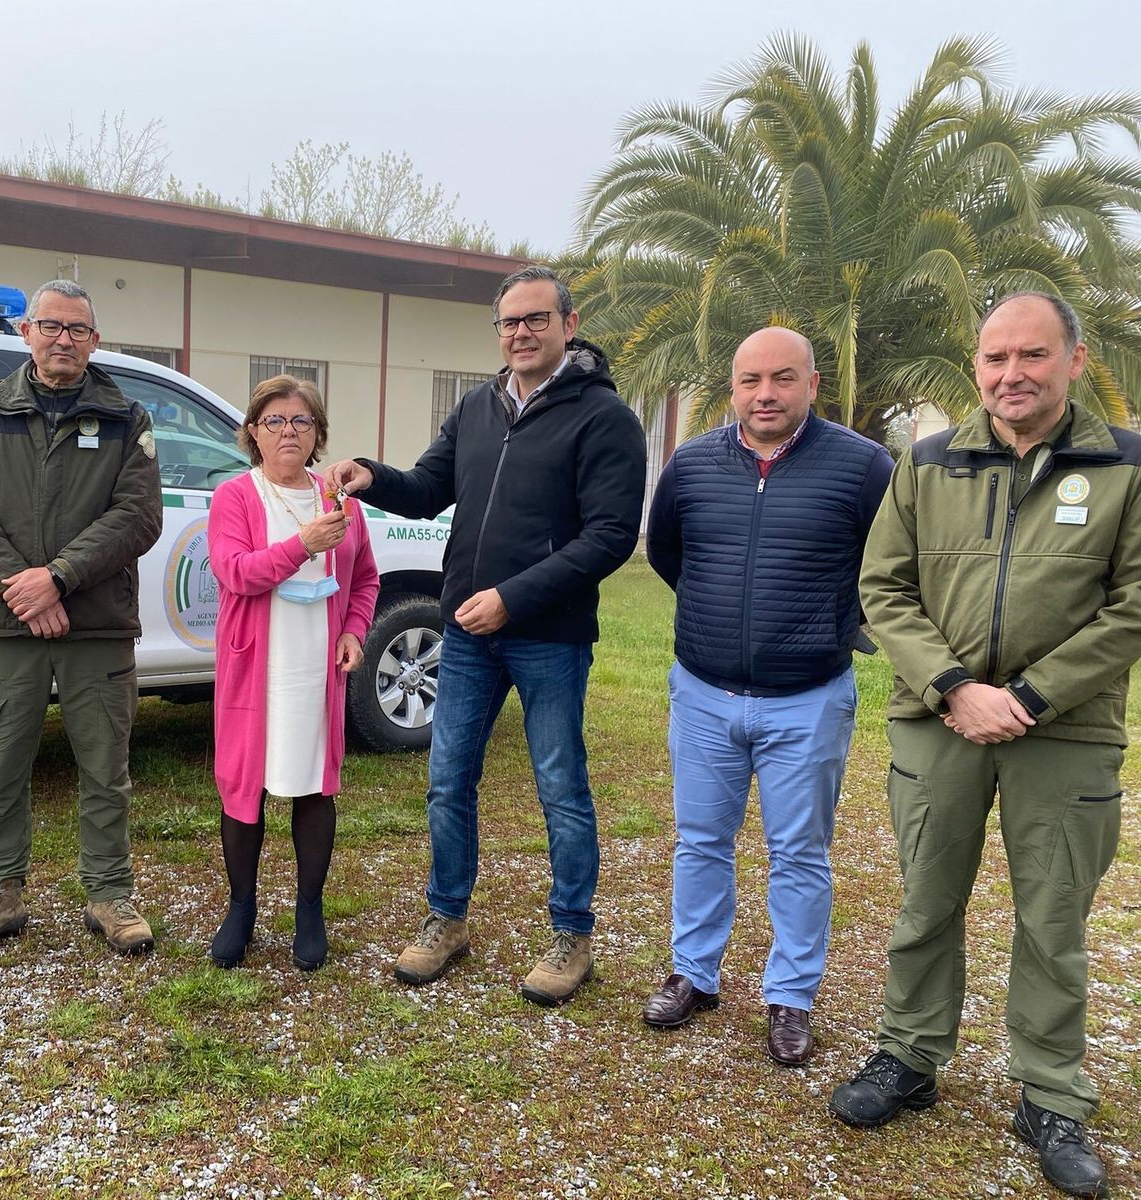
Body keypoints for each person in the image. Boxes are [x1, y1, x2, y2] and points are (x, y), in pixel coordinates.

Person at [831, 293, 1141, 1199]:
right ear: (976, 367)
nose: (1013, 374)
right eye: (996, 358)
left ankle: (1050, 1094)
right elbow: (884, 589)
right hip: (941, 722)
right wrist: (956, 689)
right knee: (925, 899)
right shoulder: (929, 463)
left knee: (1054, 918)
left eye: (1033, 356)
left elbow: (1134, 602)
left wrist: (1033, 695)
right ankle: (910, 1057)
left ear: (1074, 361)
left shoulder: (1125, 464)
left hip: (1067, 728)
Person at [324, 264, 646, 1006]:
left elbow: (610, 536)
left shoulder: (604, 419)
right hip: (468, 632)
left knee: (560, 787)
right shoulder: (477, 407)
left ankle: (572, 935)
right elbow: (430, 487)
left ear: (568, 324)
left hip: (550, 635)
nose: (521, 333)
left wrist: (512, 598)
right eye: (508, 323)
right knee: (446, 782)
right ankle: (448, 919)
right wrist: (372, 473)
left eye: (535, 319)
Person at [641, 327, 892, 1063]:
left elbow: (890, 568)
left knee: (801, 853)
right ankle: (694, 975)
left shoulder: (864, 466)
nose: (766, 394)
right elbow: (668, 553)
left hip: (808, 698)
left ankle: (790, 996)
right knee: (700, 842)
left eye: (783, 378)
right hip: (704, 694)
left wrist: (834, 626)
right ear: (733, 389)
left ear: (813, 384)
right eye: (751, 380)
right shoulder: (690, 466)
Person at [0, 279, 163, 962]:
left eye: (78, 330)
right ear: (25, 332)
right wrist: (22, 588)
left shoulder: (129, 418)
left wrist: (58, 578)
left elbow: (137, 516)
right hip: (10, 624)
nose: (64, 339)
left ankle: (109, 893)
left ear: (95, 342)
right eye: (51, 326)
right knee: (2, 764)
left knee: (105, 768)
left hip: (96, 625)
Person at [205, 375, 380, 971]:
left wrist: (355, 630)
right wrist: (302, 545)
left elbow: (365, 579)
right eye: (274, 421)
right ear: (253, 432)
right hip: (257, 662)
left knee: (313, 784)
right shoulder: (236, 495)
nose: (288, 431)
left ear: (317, 434)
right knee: (243, 785)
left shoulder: (339, 499)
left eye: (301, 422)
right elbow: (235, 572)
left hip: (317, 663)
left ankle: (309, 909)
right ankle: (241, 908)